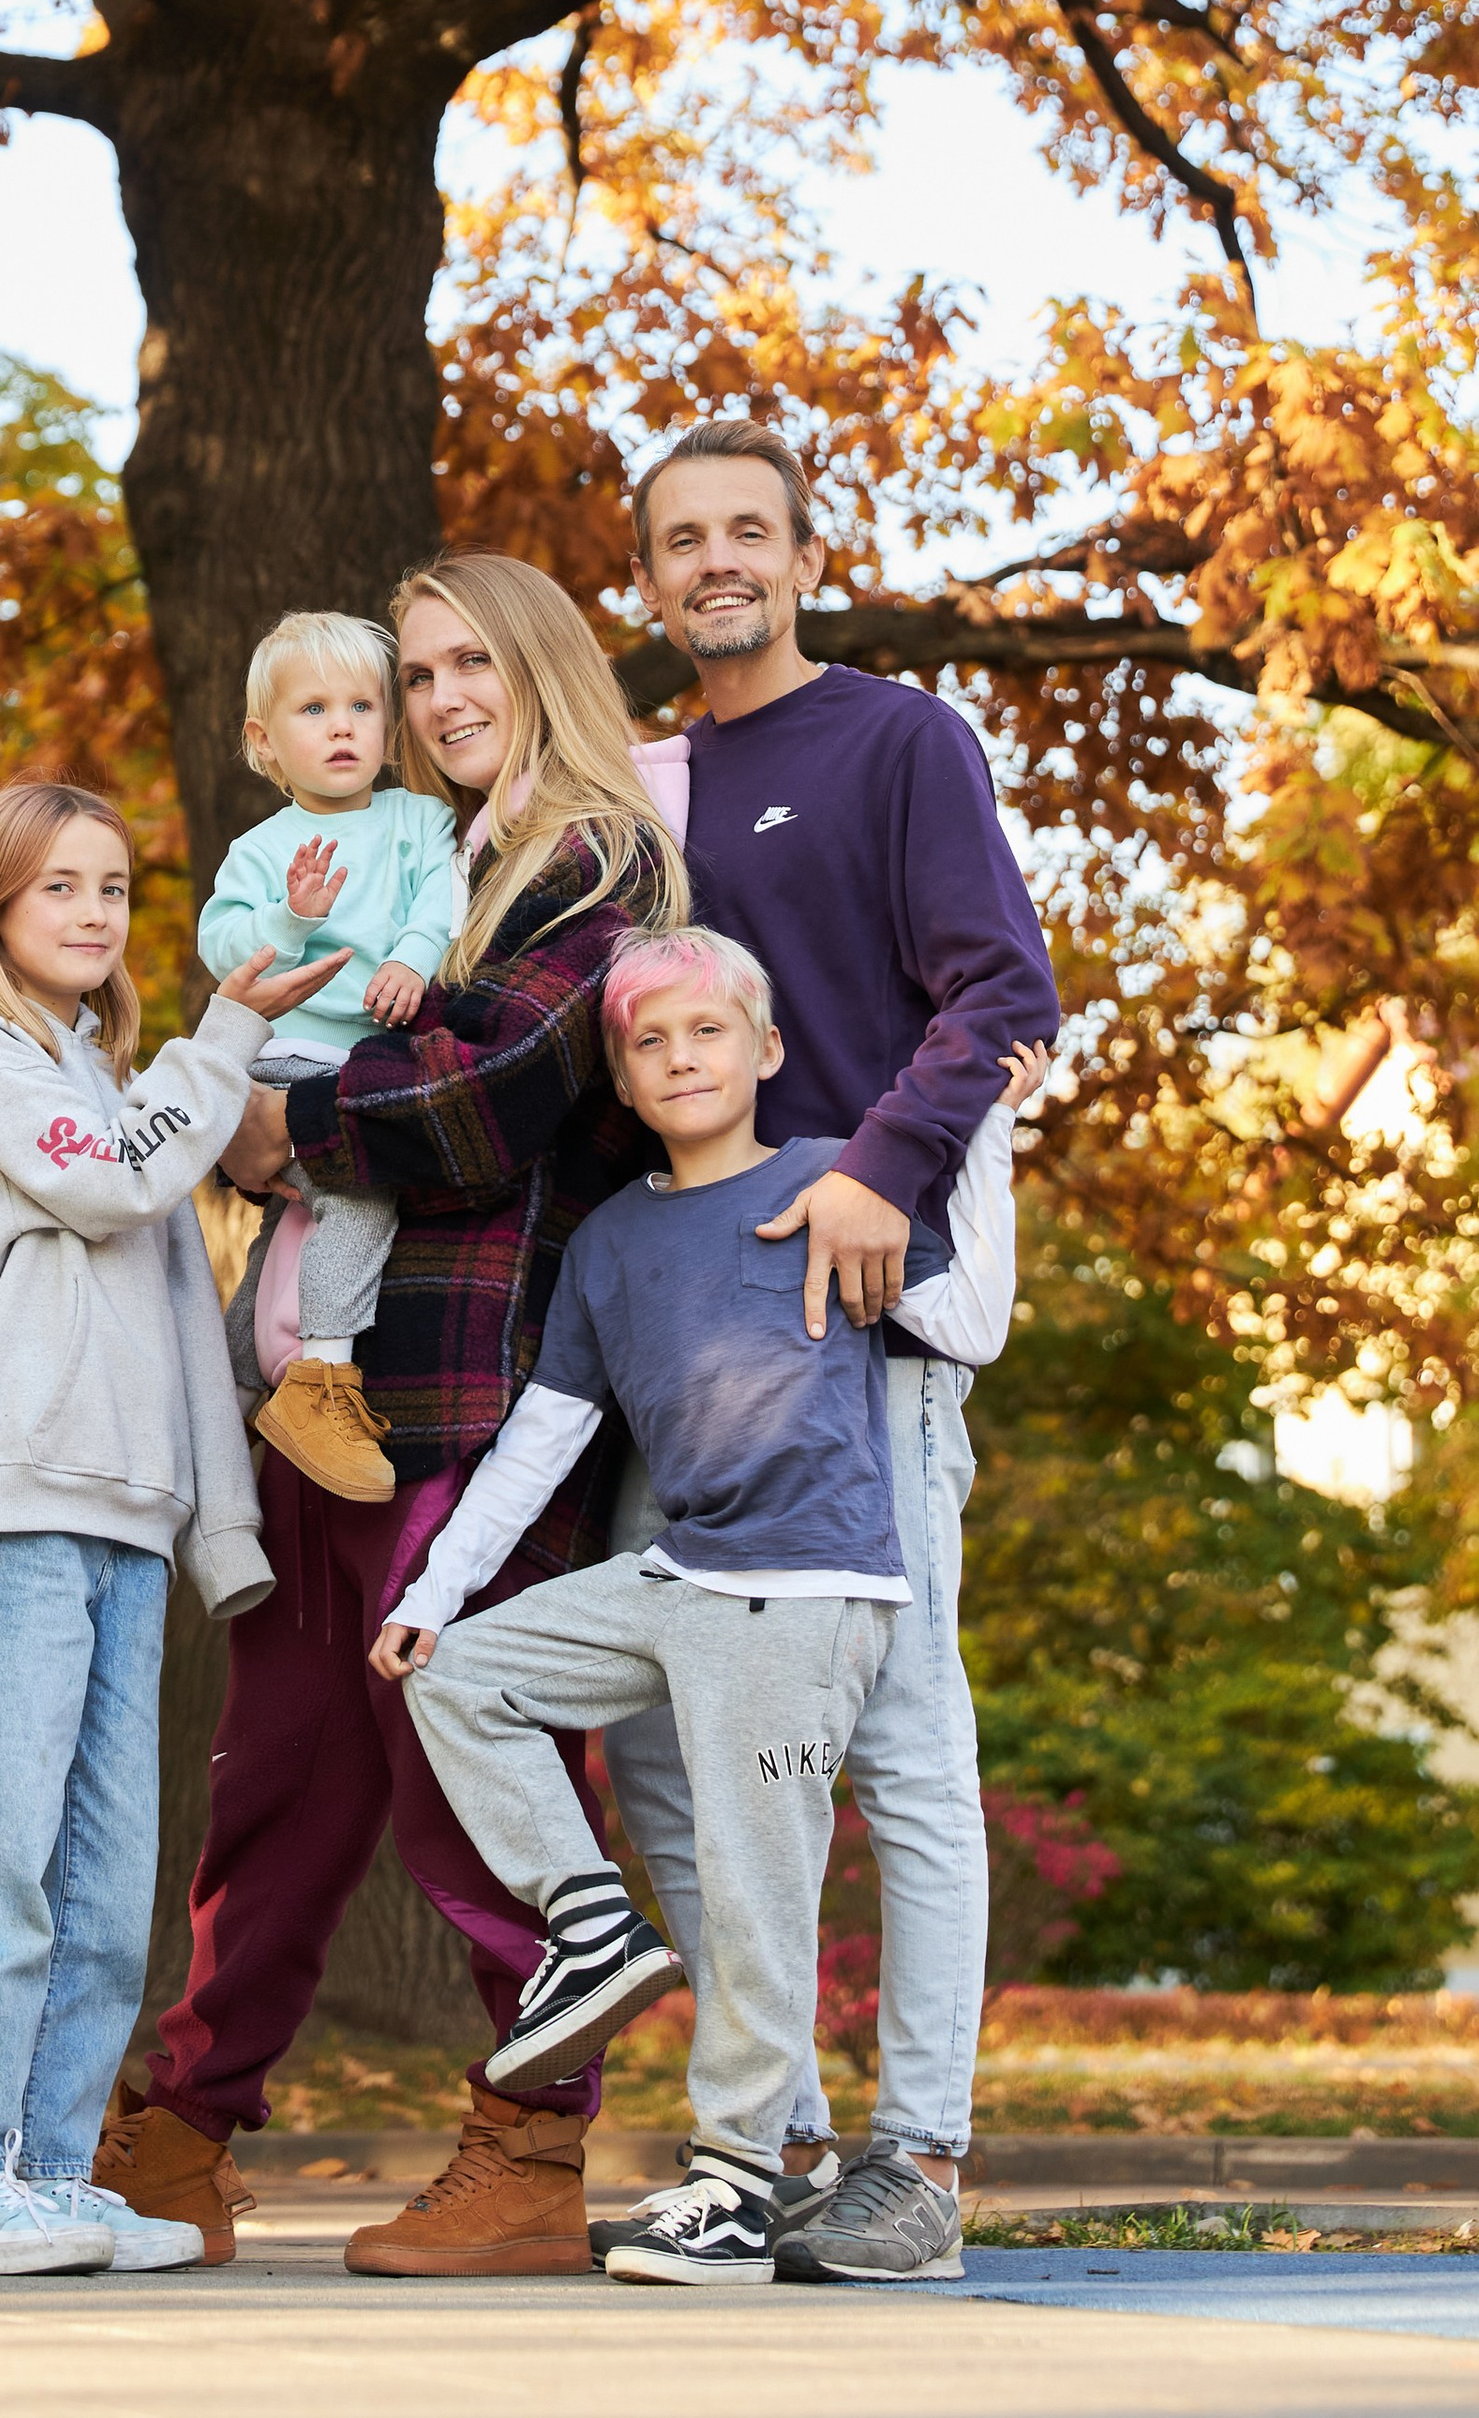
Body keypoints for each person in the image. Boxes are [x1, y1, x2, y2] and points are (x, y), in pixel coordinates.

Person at [97, 552, 690, 2279]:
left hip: (479, 1386)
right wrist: (245, 1102)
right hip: (329, 1386)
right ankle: (184, 2134)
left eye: (466, 668)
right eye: (415, 674)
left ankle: (532, 2150)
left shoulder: (595, 857)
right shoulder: (422, 856)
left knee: (460, 1757)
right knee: (276, 1761)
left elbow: (480, 1095)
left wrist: (269, 1125)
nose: (436, 703)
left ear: (540, 668)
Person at [374, 930, 1036, 2288]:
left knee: (752, 1890)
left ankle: (738, 2185)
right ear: (621, 1079)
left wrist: (993, 1145)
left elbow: (967, 1325)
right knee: (458, 1677)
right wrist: (433, 1592)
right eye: (650, 1043)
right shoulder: (612, 1244)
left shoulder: (833, 1185)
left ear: (765, 1052)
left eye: (707, 1034)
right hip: (687, 1575)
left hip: (803, 1595)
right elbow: (544, 1436)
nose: (682, 1058)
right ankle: (592, 1923)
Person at [606, 418, 1062, 2286]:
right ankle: (774, 2136)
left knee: (902, 1741)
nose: (717, 560)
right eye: (681, 539)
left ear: (800, 554)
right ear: (646, 582)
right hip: (685, 1340)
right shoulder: (635, 789)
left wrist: (883, 1171)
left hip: (861, 1315)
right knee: (657, 1741)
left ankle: (922, 2161)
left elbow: (1004, 994)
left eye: (748, 532)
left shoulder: (895, 740)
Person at [0, 777, 346, 2276]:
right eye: (59, 886)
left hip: (127, 1514)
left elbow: (175, 1313)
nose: (92, 913)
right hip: (15, 1492)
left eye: (114, 888)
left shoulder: (98, 1063)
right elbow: (119, 1187)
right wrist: (223, 1036)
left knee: (101, 1869)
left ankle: (46, 2171)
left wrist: (222, 1527)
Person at [199, 609, 460, 1503]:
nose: (343, 725)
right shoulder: (262, 850)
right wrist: (291, 920)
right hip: (290, 1059)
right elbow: (221, 943)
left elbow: (442, 901)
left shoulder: (418, 818)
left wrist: (408, 961)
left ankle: (228, 1393)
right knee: (359, 1185)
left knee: (288, 1232)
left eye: (362, 705)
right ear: (264, 741)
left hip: (368, 1061)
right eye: (314, 710)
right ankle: (321, 1379)